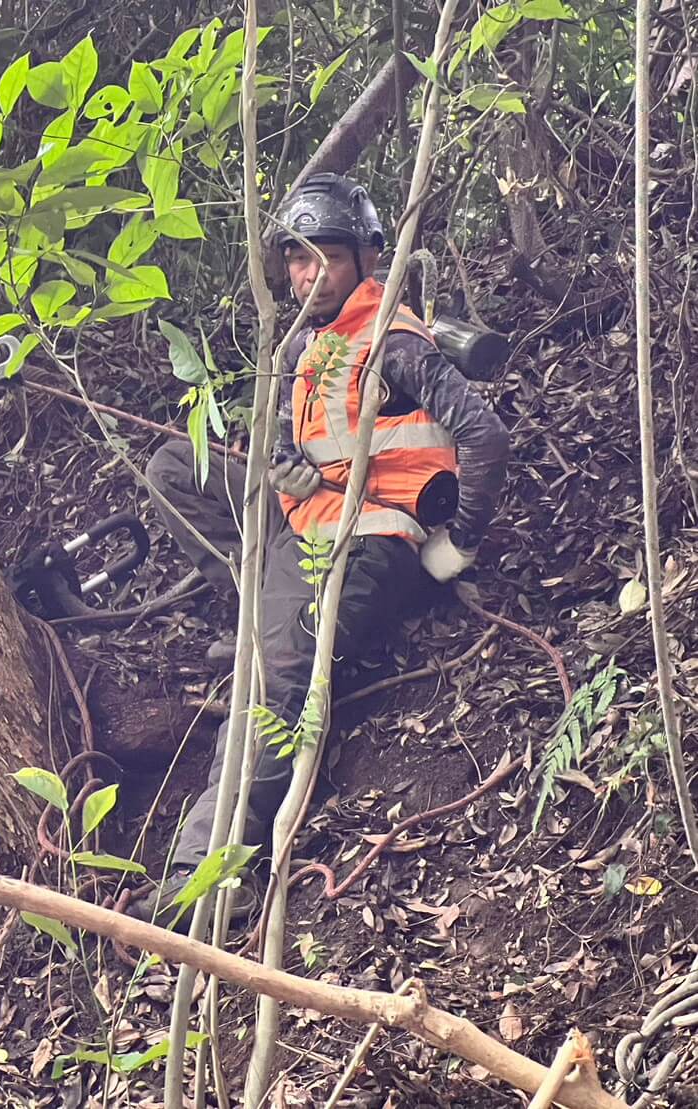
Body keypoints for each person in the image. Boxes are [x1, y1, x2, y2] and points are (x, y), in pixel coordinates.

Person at [129, 173, 510, 924]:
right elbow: (293, 439)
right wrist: (278, 461)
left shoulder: (389, 342)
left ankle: (206, 879)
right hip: (305, 522)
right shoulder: (310, 339)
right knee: (175, 468)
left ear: (363, 259)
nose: (306, 274)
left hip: (365, 543)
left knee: (269, 688)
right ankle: (265, 609)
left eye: (323, 259)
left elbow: (485, 437)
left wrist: (453, 550)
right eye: (295, 259)